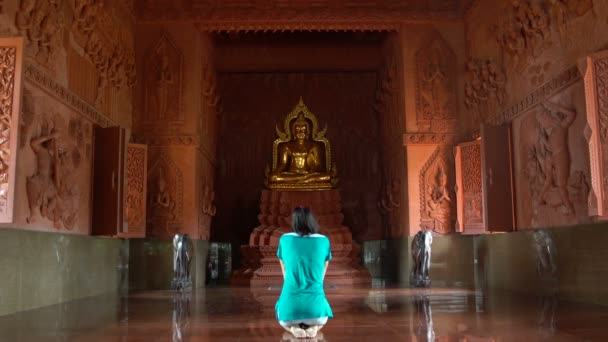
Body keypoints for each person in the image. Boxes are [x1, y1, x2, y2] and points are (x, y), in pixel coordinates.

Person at [275, 207, 333, 339]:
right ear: (312, 221)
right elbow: (323, 270)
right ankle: (314, 328)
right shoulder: (324, 240)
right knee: (324, 313)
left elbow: (285, 271)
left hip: (289, 312)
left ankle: (294, 329)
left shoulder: (285, 239)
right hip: (317, 314)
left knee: (280, 311)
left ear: (294, 221)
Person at [269, 114, 332, 185]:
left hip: (308, 174)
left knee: (327, 177)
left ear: (307, 130)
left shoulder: (314, 146)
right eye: (298, 129)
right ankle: (303, 180)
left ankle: (302, 180)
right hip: (292, 174)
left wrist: (312, 170)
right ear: (293, 131)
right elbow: (283, 164)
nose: (300, 131)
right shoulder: (287, 146)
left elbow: (318, 165)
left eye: (303, 129)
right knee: (273, 178)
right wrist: (276, 171)